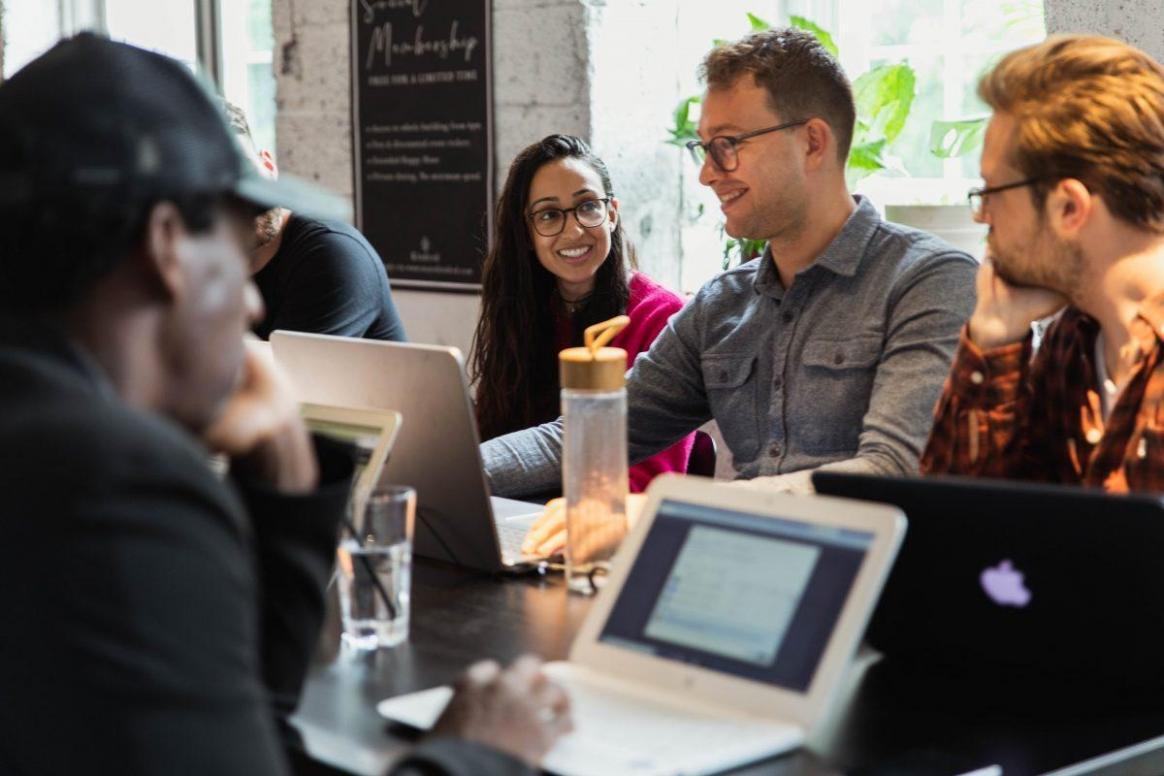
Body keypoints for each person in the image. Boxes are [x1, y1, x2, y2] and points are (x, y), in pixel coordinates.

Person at [0, 34, 568, 776]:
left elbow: (228, 730)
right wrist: (478, 753)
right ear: (169, 246)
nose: (247, 303)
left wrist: (287, 485)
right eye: (231, 246)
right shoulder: (114, 483)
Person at [493, 28, 977, 554]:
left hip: (870, 589)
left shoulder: (929, 280)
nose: (707, 174)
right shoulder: (721, 305)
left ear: (813, 142)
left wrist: (664, 511)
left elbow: (890, 470)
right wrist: (445, 468)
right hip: (736, 573)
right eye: (705, 149)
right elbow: (585, 434)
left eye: (727, 146)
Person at [921, 34, 1164, 492]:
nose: (981, 215)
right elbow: (959, 520)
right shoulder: (1075, 341)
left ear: (1069, 207)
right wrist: (994, 336)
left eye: (992, 192)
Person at [470, 134, 694, 495]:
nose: (573, 230)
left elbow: (646, 484)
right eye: (549, 215)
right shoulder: (518, 311)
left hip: (602, 519)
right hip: (510, 513)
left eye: (587, 206)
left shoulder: (662, 316)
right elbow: (491, 437)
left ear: (612, 214)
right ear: (526, 233)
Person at [220, 102, 407, 341]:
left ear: (268, 165)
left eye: (245, 171)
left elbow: (284, 366)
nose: (242, 196)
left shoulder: (333, 253)